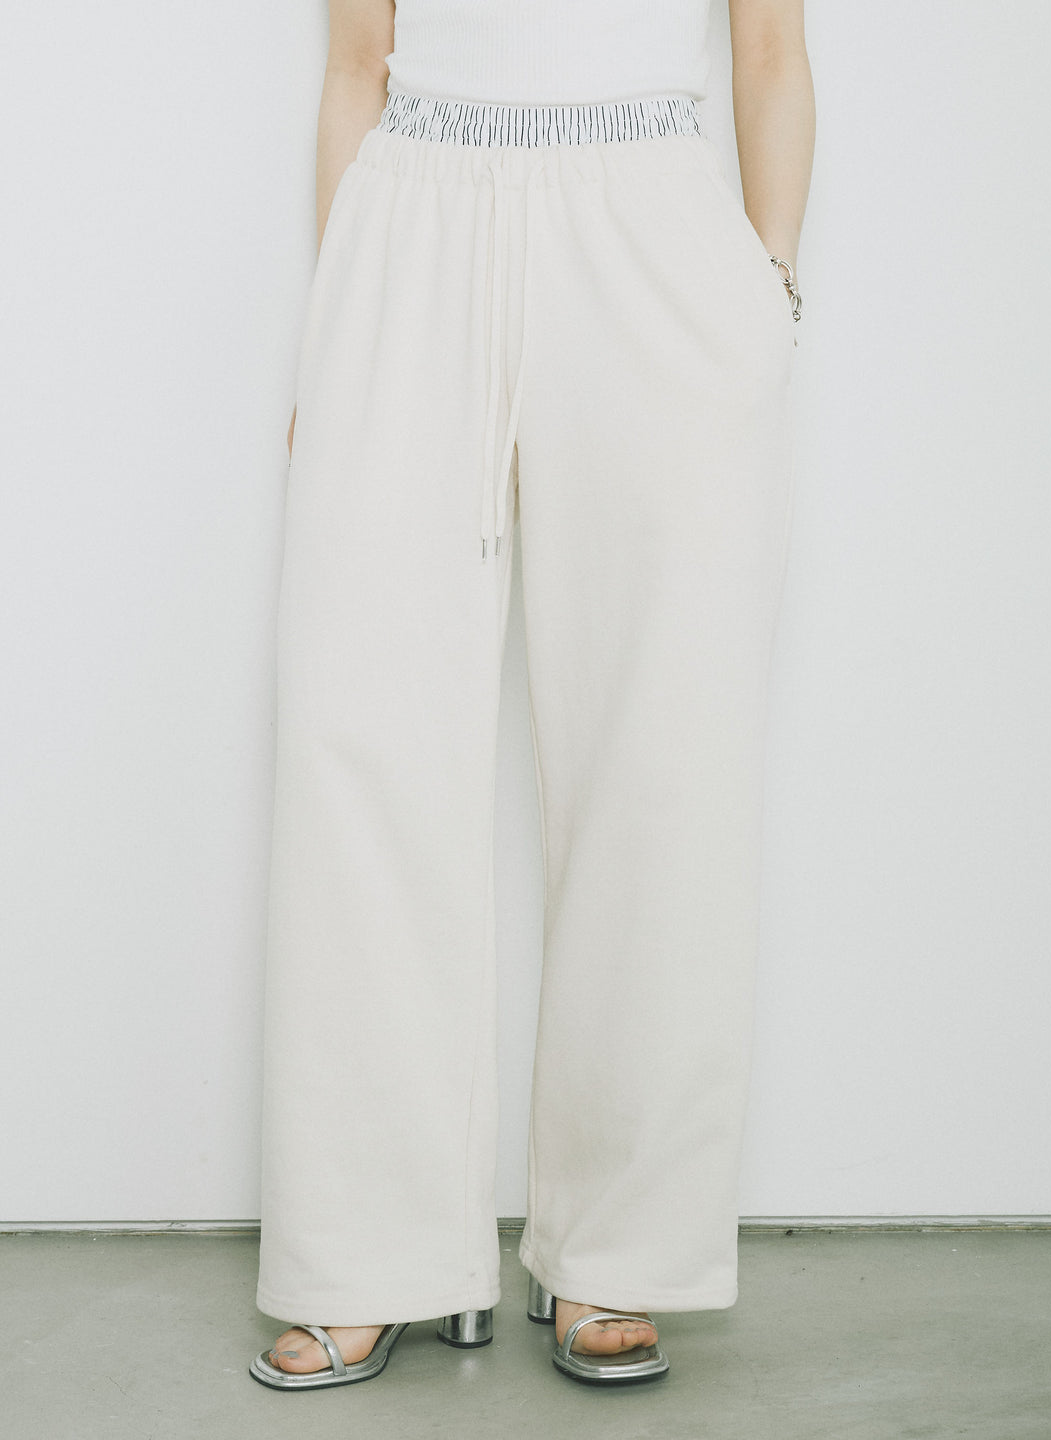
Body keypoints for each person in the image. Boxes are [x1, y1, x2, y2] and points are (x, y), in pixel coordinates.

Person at [249, 0, 814, 1391]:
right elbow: (354, 65)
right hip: (414, 218)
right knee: (361, 739)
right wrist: (333, 331)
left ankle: (616, 1248)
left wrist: (769, 295)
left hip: (652, 233)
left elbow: (769, 53)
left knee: (663, 753)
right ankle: (368, 1251)